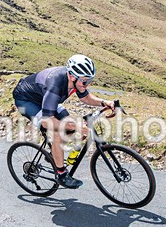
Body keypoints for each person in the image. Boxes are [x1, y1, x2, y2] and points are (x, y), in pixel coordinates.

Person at [12, 54, 115, 189]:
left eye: (90, 81)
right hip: (26, 101)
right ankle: (61, 175)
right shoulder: (55, 84)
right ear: (72, 76)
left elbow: (85, 98)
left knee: (69, 124)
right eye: (85, 81)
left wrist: (104, 102)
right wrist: (77, 127)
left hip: (46, 98)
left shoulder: (76, 81)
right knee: (58, 133)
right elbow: (47, 122)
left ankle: (55, 153)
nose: (87, 85)